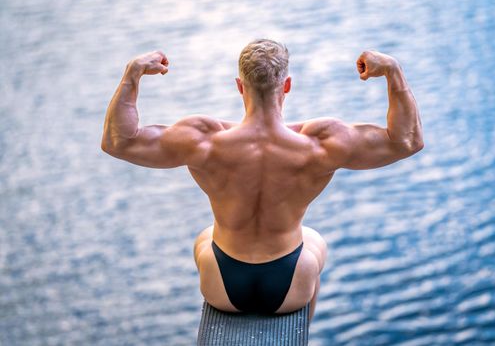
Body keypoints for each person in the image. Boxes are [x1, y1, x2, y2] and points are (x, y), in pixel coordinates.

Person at [101, 39, 423, 321]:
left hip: (222, 286)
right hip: (290, 285)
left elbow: (119, 141)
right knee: (311, 240)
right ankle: (298, 326)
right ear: (287, 86)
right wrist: (393, 71)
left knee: (206, 235)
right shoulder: (320, 144)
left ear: (240, 86)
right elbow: (406, 140)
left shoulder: (203, 140)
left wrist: (132, 73)